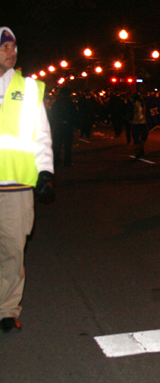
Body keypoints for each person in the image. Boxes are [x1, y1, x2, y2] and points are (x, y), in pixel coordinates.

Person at [0, 26, 54, 333]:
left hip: (16, 187)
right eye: (5, 47)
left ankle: (6, 310)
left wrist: (45, 171)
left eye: (14, 47)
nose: (12, 51)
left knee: (12, 250)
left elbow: (41, 135)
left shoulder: (30, 88)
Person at [128, 85, 149, 159]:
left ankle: (141, 147)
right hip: (135, 121)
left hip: (144, 121)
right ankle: (137, 151)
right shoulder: (133, 98)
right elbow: (129, 107)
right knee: (136, 137)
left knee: (144, 136)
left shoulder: (146, 99)